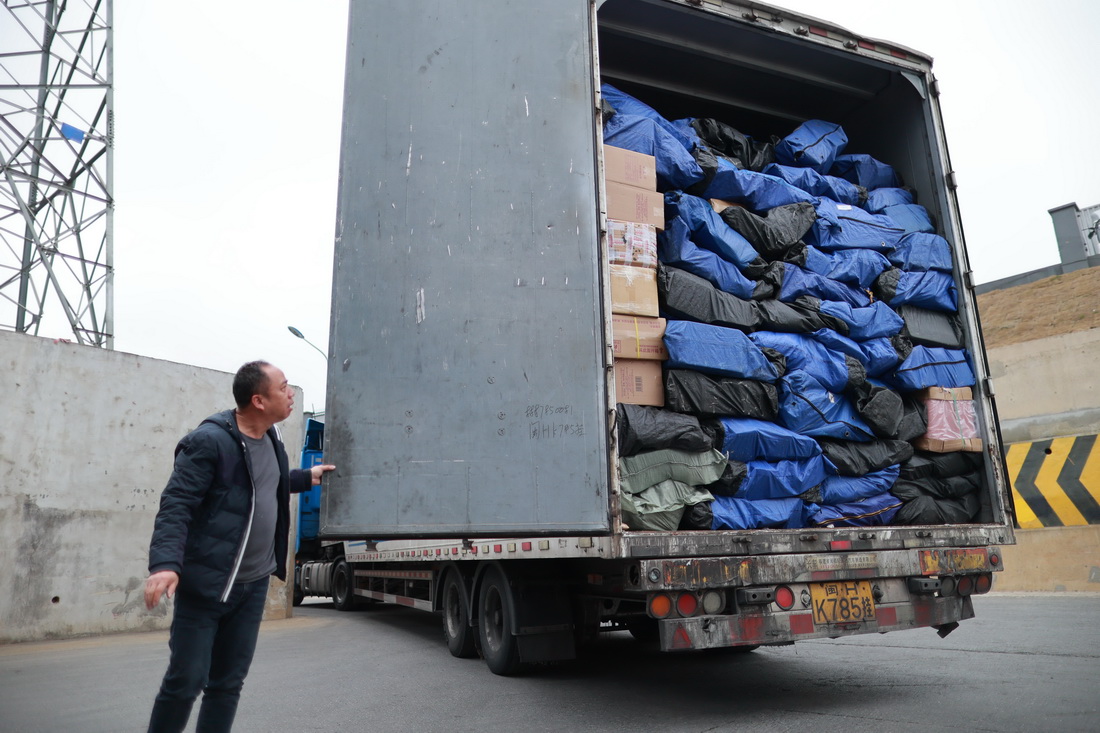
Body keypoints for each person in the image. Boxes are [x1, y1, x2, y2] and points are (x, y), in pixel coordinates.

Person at [143, 360, 335, 733]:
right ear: (259, 400)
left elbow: (265, 483)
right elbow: (177, 504)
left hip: (252, 586)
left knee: (228, 684)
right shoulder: (209, 441)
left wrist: (304, 477)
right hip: (208, 586)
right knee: (186, 682)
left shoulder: (273, 439)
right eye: (284, 387)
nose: (291, 393)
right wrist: (165, 564)